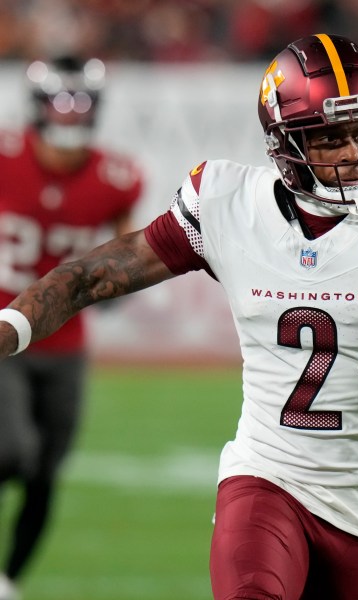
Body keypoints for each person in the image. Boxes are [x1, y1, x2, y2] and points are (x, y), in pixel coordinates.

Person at [0, 34, 358, 599]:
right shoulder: (229, 203)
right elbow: (89, 276)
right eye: (328, 138)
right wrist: (9, 329)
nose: (352, 151)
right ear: (284, 141)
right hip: (265, 476)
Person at [0, 56, 143, 600]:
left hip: (64, 343)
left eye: (80, 103)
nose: (70, 114)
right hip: (4, 334)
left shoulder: (116, 177)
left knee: (45, 472)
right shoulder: (6, 156)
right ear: (37, 107)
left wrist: (118, 282)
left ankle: (8, 581)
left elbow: (130, 248)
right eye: (61, 102)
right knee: (12, 451)